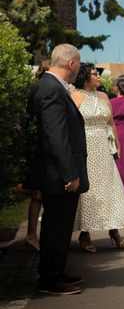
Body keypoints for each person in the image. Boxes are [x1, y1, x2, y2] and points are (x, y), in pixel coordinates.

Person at [26, 44, 88, 295]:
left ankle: (56, 270)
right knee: (56, 226)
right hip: (58, 173)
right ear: (72, 64)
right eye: (79, 64)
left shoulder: (47, 86)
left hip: (54, 170)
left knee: (59, 225)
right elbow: (55, 136)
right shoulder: (51, 89)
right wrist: (69, 173)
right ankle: (49, 279)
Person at [71, 64, 124, 252]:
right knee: (89, 191)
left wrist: (117, 142)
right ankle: (85, 234)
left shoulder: (103, 96)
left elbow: (111, 122)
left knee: (110, 188)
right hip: (86, 148)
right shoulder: (75, 96)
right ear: (84, 76)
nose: (98, 76)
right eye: (94, 74)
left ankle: (114, 230)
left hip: (104, 147)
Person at [22, 60, 51, 251]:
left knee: (38, 195)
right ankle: (33, 235)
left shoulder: (35, 89)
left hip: (35, 147)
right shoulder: (45, 90)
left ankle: (32, 234)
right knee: (40, 194)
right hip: (42, 149)